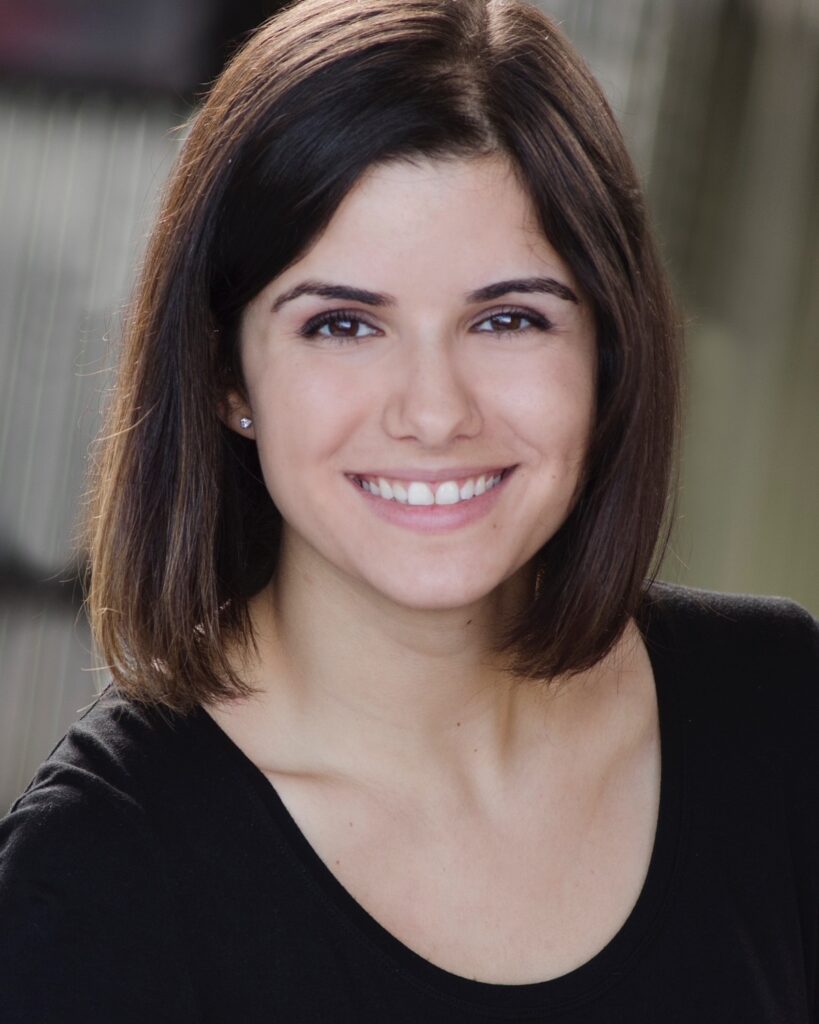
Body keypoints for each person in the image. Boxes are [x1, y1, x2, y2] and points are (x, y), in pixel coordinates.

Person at [1, 0, 817, 1020]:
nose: (434, 411)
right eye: (343, 324)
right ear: (228, 374)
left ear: (608, 352)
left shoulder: (781, 714)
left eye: (509, 317)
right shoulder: (96, 878)